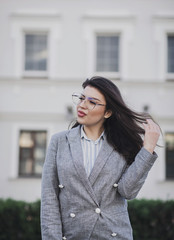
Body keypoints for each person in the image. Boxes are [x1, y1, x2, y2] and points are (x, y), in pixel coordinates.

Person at [41, 76, 160, 240]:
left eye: (92, 102)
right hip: (73, 235)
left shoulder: (121, 145)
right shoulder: (59, 141)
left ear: (108, 112)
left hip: (114, 235)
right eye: (82, 98)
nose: (82, 105)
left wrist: (147, 149)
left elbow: (128, 191)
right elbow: (49, 198)